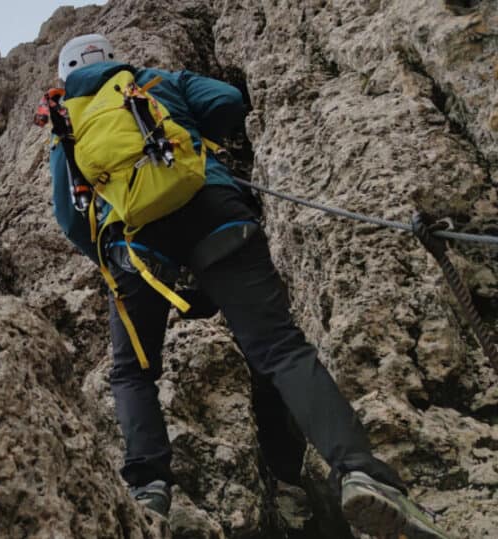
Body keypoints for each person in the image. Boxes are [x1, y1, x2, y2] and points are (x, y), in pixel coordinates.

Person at [47, 33, 449, 539]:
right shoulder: (156, 82)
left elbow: (68, 216)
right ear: (115, 59)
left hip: (137, 248)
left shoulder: (68, 124)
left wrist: (111, 260)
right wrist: (192, 142)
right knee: (280, 348)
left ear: (66, 78)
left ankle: (148, 486)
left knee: (133, 373)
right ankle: (359, 471)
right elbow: (229, 101)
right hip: (215, 211)